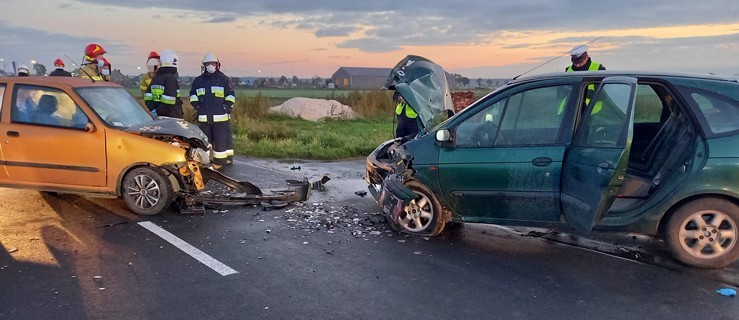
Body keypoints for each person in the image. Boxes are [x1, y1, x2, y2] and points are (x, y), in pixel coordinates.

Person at [189, 52, 236, 168]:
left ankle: (219, 163)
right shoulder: (198, 81)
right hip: (204, 118)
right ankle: (204, 162)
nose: (210, 65)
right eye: (208, 63)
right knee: (204, 142)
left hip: (220, 118)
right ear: (204, 65)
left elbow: (230, 95)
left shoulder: (223, 79)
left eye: (213, 63)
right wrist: (197, 106)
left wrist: (226, 107)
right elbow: (193, 95)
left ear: (217, 64)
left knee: (220, 141)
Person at [562, 45, 607, 114]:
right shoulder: (568, 70)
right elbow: (560, 94)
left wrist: (582, 91)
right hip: (569, 111)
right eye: (575, 63)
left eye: (580, 62)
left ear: (586, 57)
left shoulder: (599, 69)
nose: (577, 65)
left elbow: (602, 95)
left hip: (592, 112)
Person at [145, 49, 183, 119]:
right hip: (172, 118)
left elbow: (147, 96)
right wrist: (157, 112)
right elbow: (169, 101)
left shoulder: (156, 77)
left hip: (158, 118)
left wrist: (154, 111)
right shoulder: (171, 78)